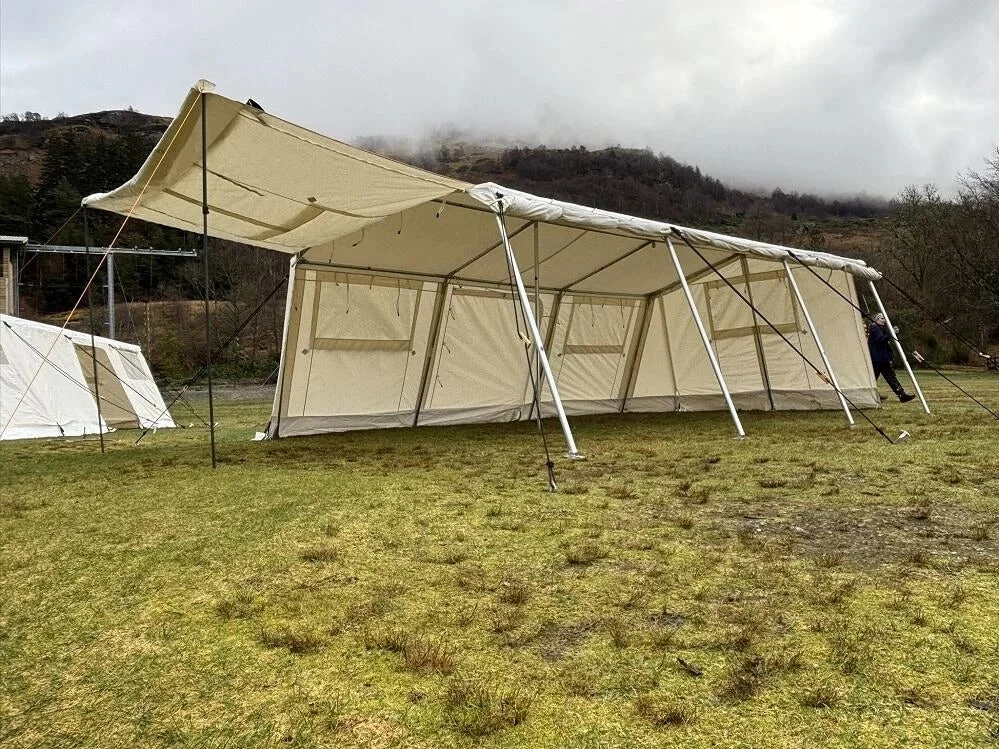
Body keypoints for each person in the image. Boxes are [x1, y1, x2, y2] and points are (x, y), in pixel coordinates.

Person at [867, 313, 915, 402]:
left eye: (884, 318)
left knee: (874, 378)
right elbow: (881, 340)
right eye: (881, 318)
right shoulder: (875, 328)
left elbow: (886, 338)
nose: (884, 320)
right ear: (876, 319)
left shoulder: (879, 329)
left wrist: (894, 333)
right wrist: (892, 333)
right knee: (890, 377)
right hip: (879, 358)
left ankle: (871, 395)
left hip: (878, 358)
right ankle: (901, 395)